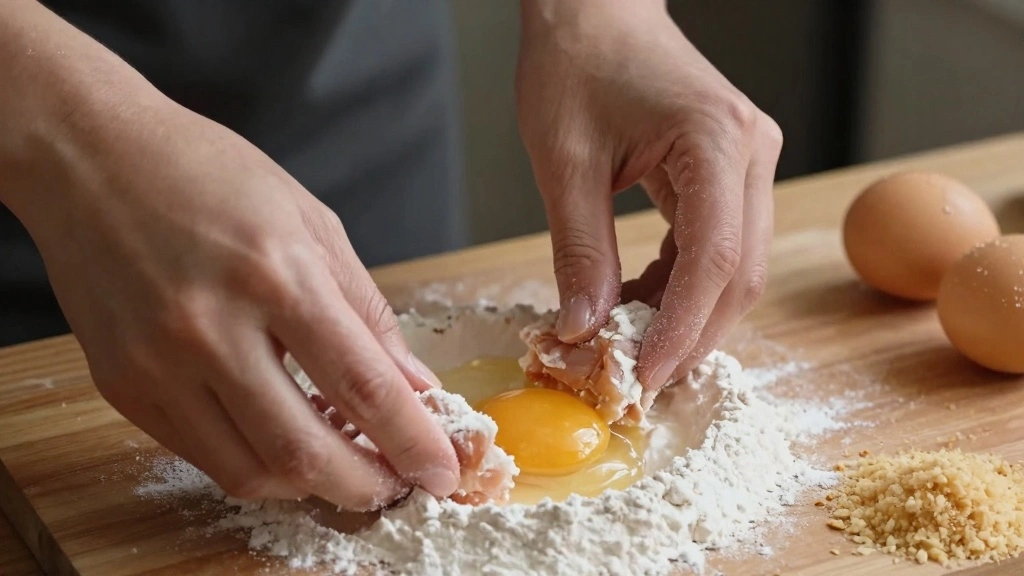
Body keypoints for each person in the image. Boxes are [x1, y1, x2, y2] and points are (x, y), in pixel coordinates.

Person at [0, 0, 782, 510]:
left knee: (376, 351)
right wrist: (66, 135)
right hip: (29, 145)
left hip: (355, 74)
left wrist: (602, 15)